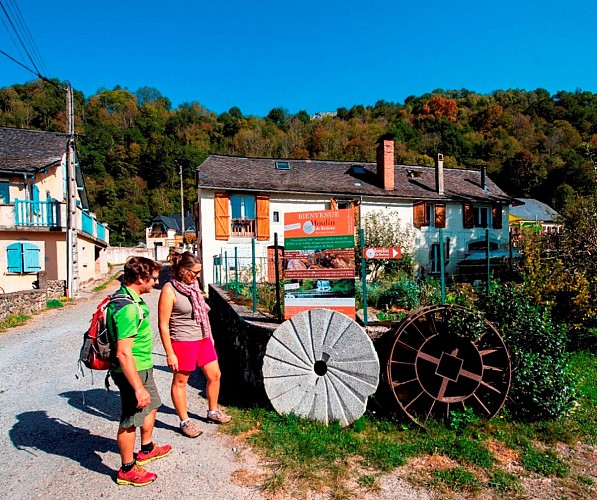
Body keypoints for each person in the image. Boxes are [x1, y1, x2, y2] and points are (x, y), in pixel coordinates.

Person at [108, 256, 172, 487]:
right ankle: (126, 469)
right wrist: (137, 387)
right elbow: (123, 353)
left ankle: (146, 449)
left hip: (143, 365)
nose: (156, 282)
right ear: (140, 278)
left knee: (152, 404)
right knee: (130, 419)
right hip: (132, 370)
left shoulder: (131, 299)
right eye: (153, 278)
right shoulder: (127, 309)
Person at [158, 251, 231, 439]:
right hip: (182, 341)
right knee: (181, 382)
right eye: (194, 273)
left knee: (215, 375)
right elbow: (163, 325)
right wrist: (169, 353)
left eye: (198, 273)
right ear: (182, 270)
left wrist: (209, 336)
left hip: (203, 338)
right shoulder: (169, 290)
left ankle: (212, 411)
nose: (197, 277)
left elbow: (202, 313)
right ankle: (184, 421)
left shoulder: (194, 285)